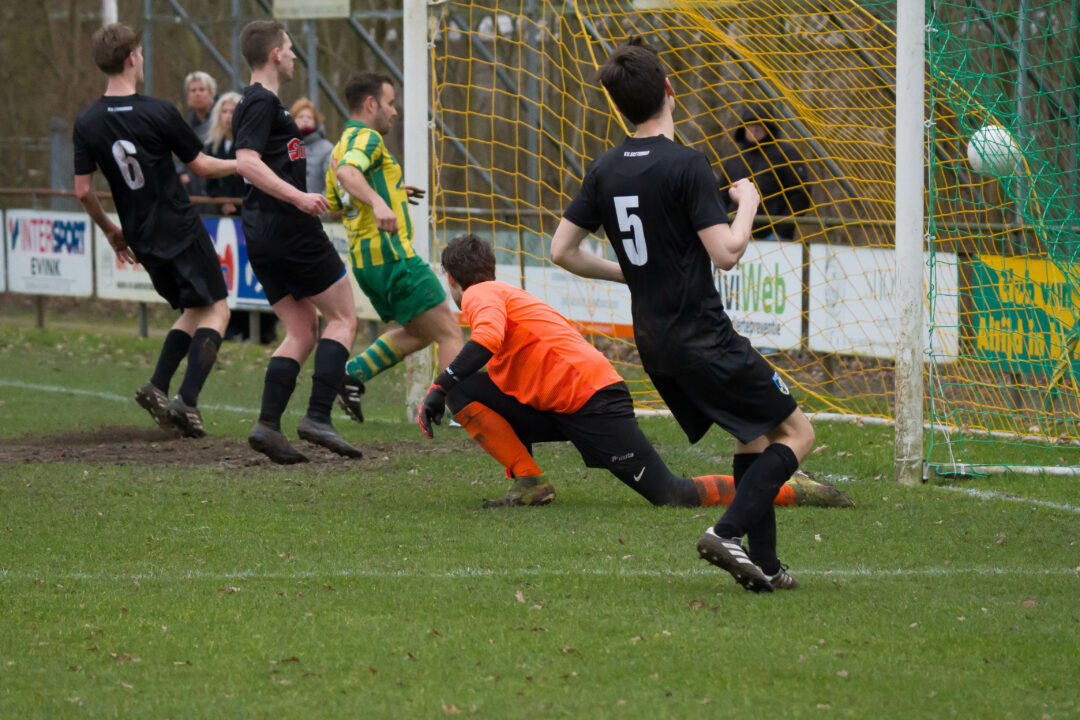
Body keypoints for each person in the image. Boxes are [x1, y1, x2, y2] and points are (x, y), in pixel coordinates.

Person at [549, 37, 815, 593]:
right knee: (797, 432)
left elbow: (562, 252)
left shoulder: (604, 169)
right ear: (670, 90)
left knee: (753, 437)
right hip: (702, 336)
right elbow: (727, 252)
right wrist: (748, 204)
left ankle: (765, 565)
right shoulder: (688, 165)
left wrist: (631, 273)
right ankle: (727, 532)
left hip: (655, 342)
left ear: (618, 107)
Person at [416, 235, 736, 509]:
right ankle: (529, 484)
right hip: (562, 403)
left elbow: (486, 340)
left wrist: (439, 386)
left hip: (593, 401)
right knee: (465, 388)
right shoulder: (499, 292)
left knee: (670, 494)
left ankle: (777, 489)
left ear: (451, 279)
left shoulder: (479, 293)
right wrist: (447, 386)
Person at [73, 23, 236, 438]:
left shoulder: (87, 121)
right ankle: (188, 400)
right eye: (141, 53)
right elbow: (200, 164)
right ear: (131, 58)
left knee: (194, 310)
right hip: (178, 226)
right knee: (218, 309)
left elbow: (83, 192)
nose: (142, 59)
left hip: (141, 236)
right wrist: (243, 165)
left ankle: (158, 386)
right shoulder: (159, 110)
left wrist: (111, 231)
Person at [233, 19, 361, 464]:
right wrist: (299, 197)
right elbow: (246, 163)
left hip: (263, 233)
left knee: (303, 328)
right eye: (288, 48)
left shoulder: (269, 106)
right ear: (274, 54)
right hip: (287, 227)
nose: (292, 55)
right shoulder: (260, 101)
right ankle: (318, 417)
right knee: (344, 318)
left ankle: (268, 426)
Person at [325, 72, 463, 423]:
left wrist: (394, 192)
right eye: (390, 103)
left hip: (366, 263)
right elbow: (349, 177)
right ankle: (457, 412)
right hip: (393, 256)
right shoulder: (367, 138)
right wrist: (380, 203)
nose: (395, 111)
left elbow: (337, 204)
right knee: (449, 331)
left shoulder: (337, 149)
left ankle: (352, 373)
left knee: (420, 332)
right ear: (371, 104)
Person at [720, 104, 812, 242]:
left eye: (760, 124)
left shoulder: (787, 155)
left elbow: (800, 195)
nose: (755, 129)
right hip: (733, 236)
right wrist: (723, 230)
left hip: (773, 240)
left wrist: (781, 232)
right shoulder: (733, 159)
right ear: (743, 127)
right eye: (751, 124)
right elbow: (720, 196)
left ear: (769, 127)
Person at [203, 91, 245, 216]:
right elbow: (210, 183)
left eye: (232, 111)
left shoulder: (248, 145)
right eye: (224, 111)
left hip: (247, 210)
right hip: (220, 212)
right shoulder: (213, 145)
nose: (228, 116)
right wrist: (223, 203)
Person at [177, 71, 218, 199]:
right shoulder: (185, 123)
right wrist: (181, 172)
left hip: (214, 190)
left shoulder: (221, 122)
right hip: (190, 190)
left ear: (211, 93)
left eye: (202, 89)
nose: (197, 94)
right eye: (193, 90)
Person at [289, 97, 334, 196]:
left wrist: (320, 209)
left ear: (315, 121)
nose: (305, 120)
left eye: (309, 117)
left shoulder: (327, 149)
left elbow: (330, 186)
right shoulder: (284, 147)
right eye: (300, 117)